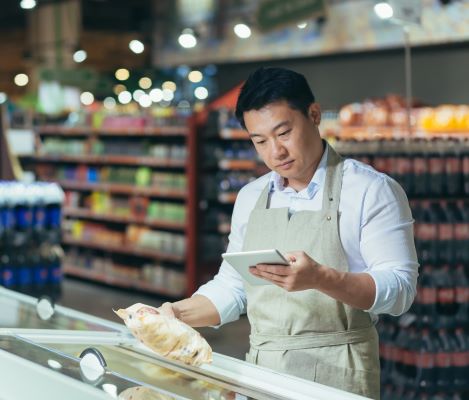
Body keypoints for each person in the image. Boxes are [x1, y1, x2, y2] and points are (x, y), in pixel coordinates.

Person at [159, 67, 419, 399]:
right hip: (261, 371)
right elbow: (235, 287)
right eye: (260, 141)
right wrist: (175, 314)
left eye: (283, 133)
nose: (274, 152)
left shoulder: (370, 190)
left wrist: (322, 278)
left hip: (337, 373)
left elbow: (400, 291)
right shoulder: (251, 197)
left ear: (313, 115)